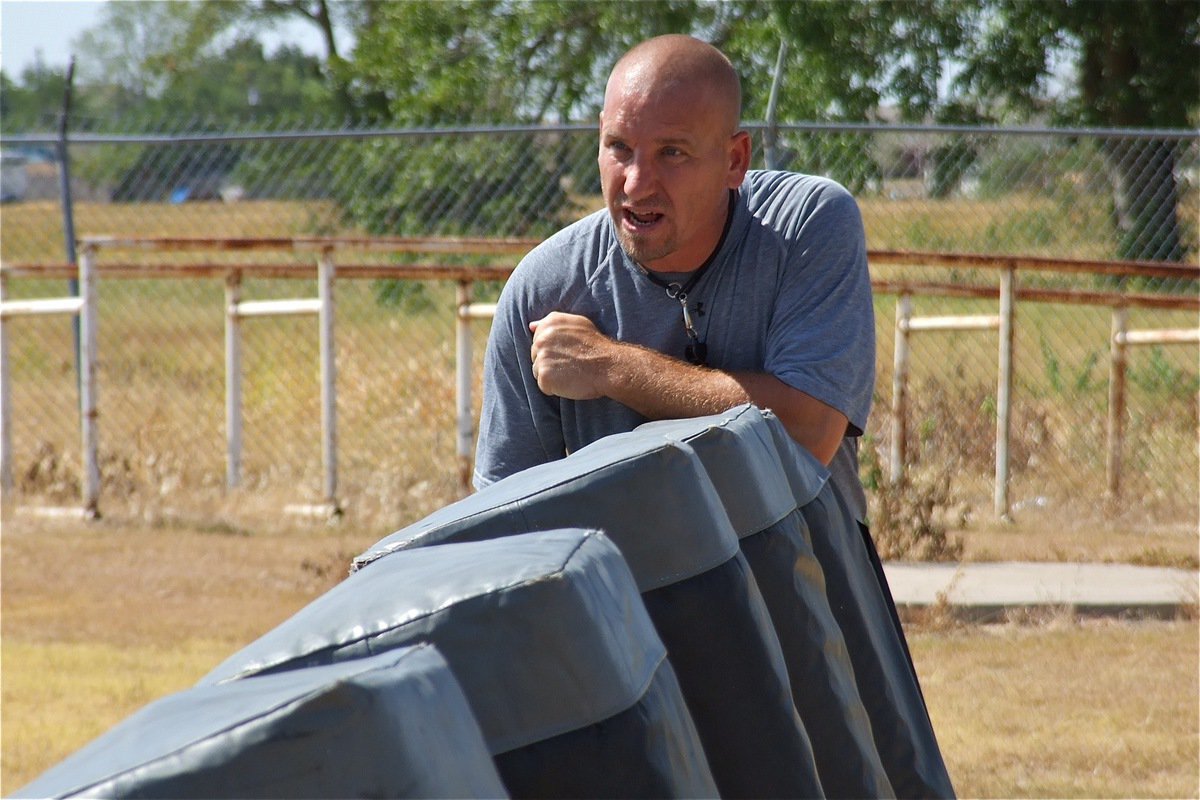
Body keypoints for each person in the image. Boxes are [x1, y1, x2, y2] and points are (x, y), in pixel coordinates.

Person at [473, 34, 875, 521]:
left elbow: (809, 432)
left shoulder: (803, 227)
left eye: (672, 153)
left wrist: (612, 368)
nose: (637, 183)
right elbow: (505, 517)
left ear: (734, 161)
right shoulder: (546, 291)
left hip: (807, 585)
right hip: (630, 593)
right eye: (619, 147)